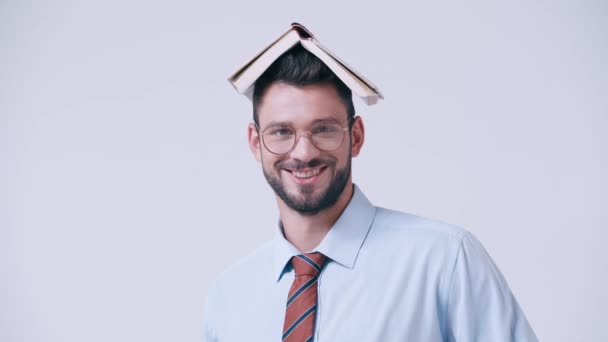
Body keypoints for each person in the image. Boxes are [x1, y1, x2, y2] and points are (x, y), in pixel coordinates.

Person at [203, 41, 538, 341]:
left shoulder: (444, 261)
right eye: (281, 132)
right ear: (255, 143)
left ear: (357, 136)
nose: (303, 152)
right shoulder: (229, 296)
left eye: (323, 129)